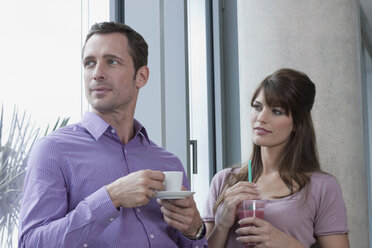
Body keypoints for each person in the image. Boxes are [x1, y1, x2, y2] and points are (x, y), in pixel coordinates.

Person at [18, 22, 207, 248]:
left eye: (112, 62)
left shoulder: (168, 162)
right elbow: (31, 243)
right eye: (89, 63)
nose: (97, 73)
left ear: (141, 77)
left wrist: (195, 230)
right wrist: (110, 198)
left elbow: (192, 242)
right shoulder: (53, 151)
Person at [202, 68, 350, 248]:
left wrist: (287, 243)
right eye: (257, 107)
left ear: (297, 123)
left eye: (277, 111)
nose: (261, 118)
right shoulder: (224, 181)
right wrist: (222, 225)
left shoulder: (322, 187)